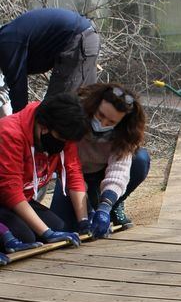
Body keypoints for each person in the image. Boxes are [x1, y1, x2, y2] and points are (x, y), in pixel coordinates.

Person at [50, 83, 149, 235]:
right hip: (71, 176)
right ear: (94, 105)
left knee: (141, 159)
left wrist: (105, 205)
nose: (102, 124)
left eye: (111, 122)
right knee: (61, 228)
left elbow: (119, 172)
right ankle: (93, 206)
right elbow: (68, 168)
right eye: (101, 116)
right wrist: (85, 212)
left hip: (102, 173)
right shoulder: (75, 115)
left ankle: (114, 205)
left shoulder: (125, 133)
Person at [0, 92, 90, 247]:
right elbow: (10, 190)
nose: (64, 144)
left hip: (23, 198)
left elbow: (73, 173)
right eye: (62, 139)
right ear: (43, 127)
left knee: (60, 228)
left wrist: (84, 222)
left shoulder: (62, 130)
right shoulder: (9, 133)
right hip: (4, 197)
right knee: (26, 236)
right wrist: (46, 233)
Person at [0, 8, 100, 114]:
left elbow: (18, 93)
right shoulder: (7, 38)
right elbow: (11, 85)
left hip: (78, 40)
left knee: (54, 111)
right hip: (84, 36)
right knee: (80, 108)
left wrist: (17, 124)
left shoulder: (7, 44)